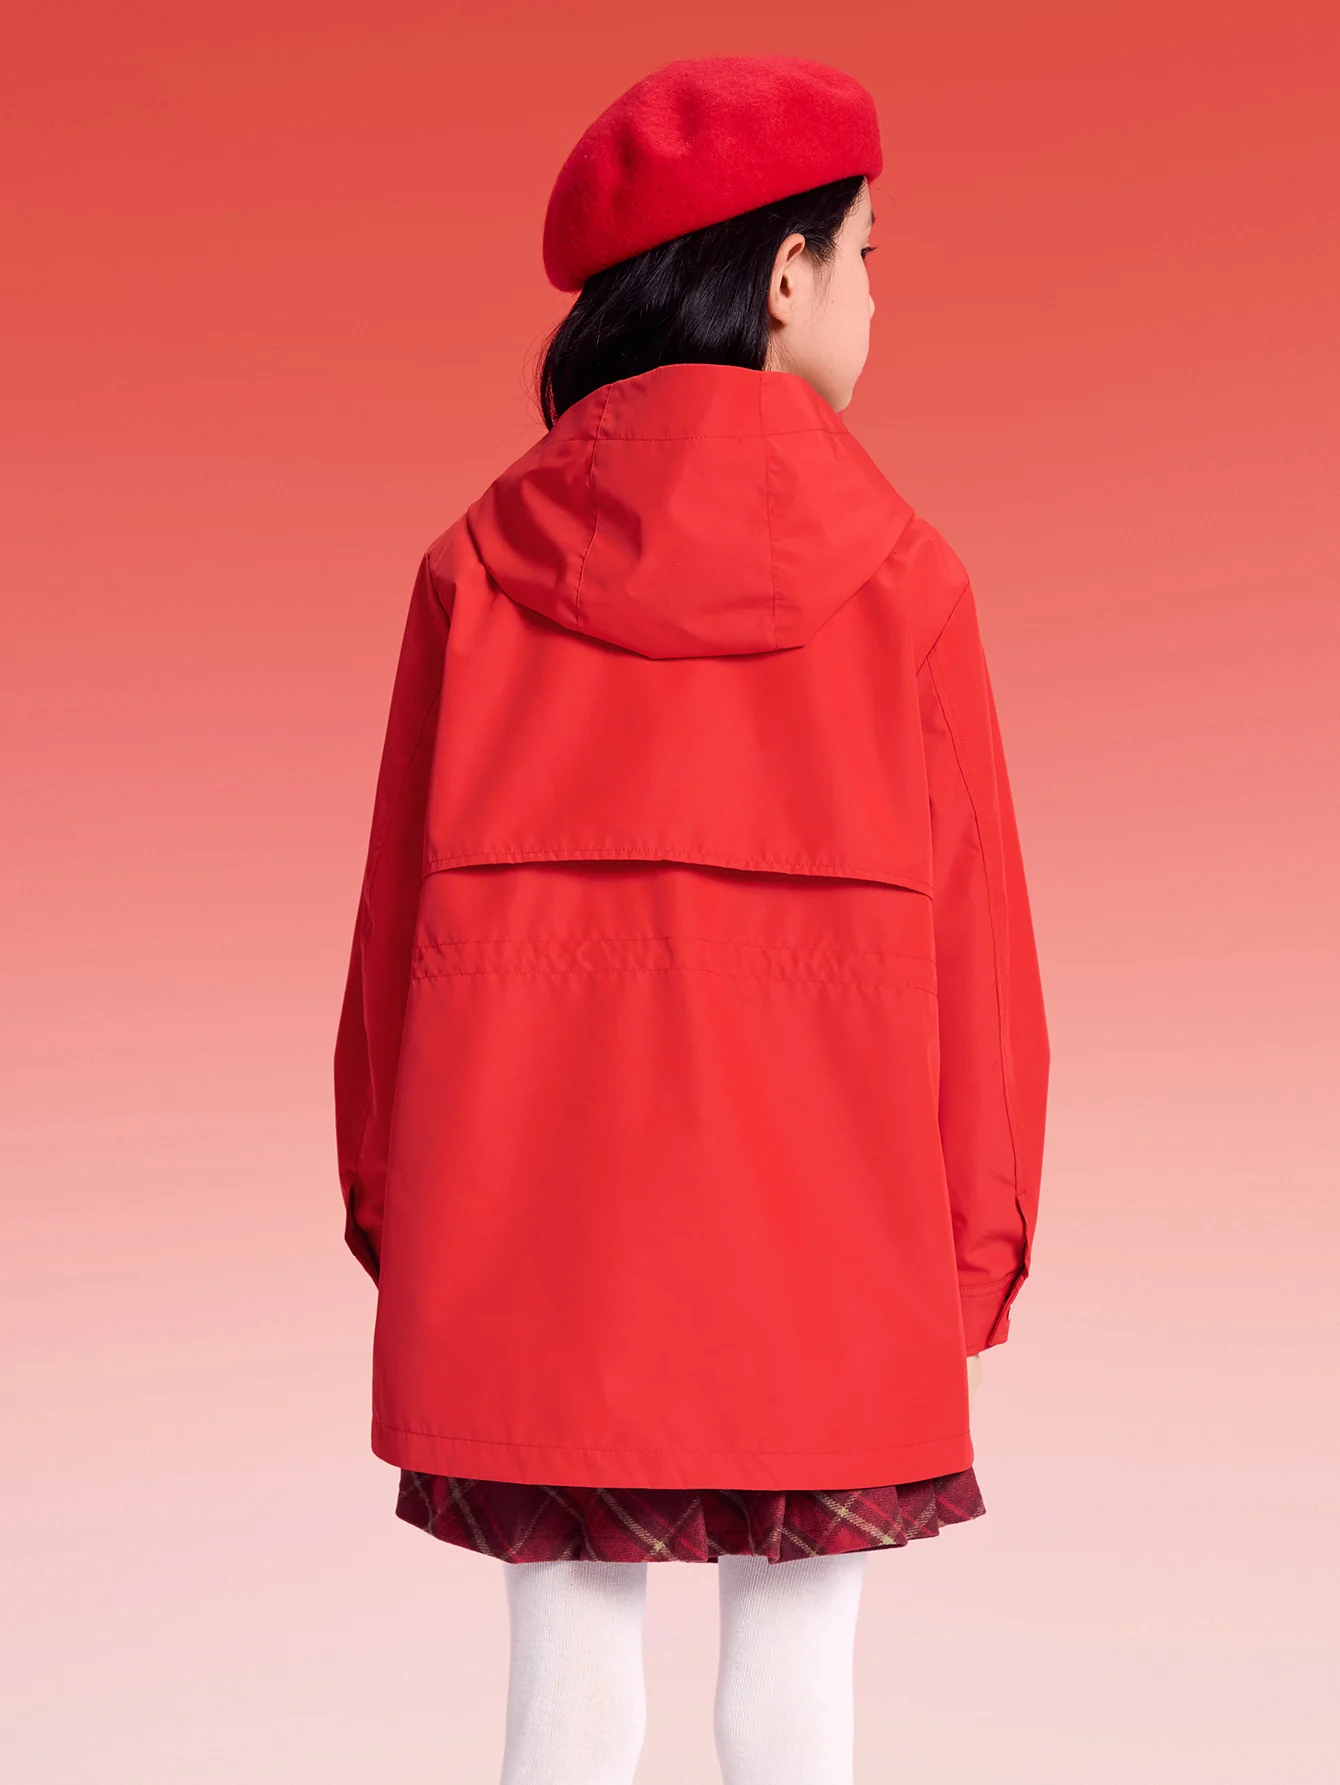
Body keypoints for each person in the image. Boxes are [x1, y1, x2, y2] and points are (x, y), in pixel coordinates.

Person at [334, 54, 1049, 1785]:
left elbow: (386, 970)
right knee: (798, 1701)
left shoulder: (472, 576)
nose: (874, 298)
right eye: (865, 256)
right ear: (785, 275)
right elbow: (985, 978)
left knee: (563, 1697)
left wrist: (405, 1223)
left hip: (532, 1253)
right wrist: (968, 1262)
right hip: (834, 1260)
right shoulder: (910, 584)